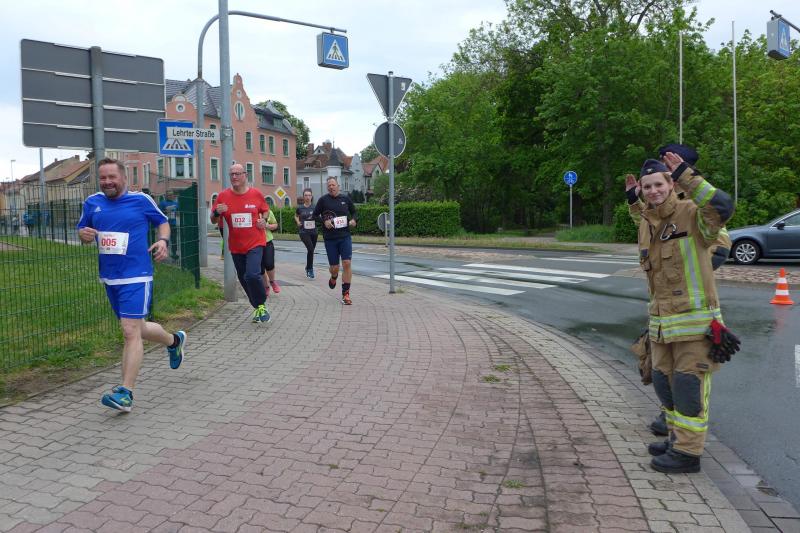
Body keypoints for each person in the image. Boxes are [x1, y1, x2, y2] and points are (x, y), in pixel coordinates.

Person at [625, 153, 736, 473]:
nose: (654, 191)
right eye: (648, 186)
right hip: (662, 326)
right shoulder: (648, 223)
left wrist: (688, 175)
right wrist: (633, 202)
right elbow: (648, 219)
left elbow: (722, 207)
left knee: (688, 388)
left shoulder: (692, 214)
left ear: (672, 184)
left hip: (694, 325)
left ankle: (688, 452)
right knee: (664, 383)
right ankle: (676, 439)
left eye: (659, 184)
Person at [77, 158, 186, 413]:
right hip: (109, 276)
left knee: (129, 331)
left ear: (124, 178)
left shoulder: (141, 200)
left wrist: (163, 241)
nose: (107, 182)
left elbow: (162, 221)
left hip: (137, 275)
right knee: (138, 328)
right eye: (103, 178)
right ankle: (174, 341)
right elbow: (83, 230)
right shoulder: (92, 202)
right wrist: (83, 235)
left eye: (112, 177)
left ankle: (125, 392)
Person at [210, 163, 271, 323]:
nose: (234, 177)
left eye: (237, 173)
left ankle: (261, 303)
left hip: (256, 242)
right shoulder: (223, 196)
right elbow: (213, 220)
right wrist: (216, 212)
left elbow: (265, 210)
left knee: (252, 274)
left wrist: (263, 221)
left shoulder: (256, 194)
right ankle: (258, 307)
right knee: (244, 279)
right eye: (231, 174)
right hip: (236, 246)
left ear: (245, 175)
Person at [313, 176, 357, 305]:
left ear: (338, 186)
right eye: (329, 185)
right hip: (330, 239)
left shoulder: (345, 199)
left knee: (347, 263)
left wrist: (354, 220)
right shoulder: (323, 200)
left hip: (345, 236)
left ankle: (346, 294)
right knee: (334, 268)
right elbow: (314, 215)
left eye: (333, 185)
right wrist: (324, 221)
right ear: (327, 188)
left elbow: (355, 213)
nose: (331, 187)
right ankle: (334, 276)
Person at [295, 188, 318, 279]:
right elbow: (296, 216)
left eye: (309, 195)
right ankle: (310, 269)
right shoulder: (300, 208)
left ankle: (308, 266)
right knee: (311, 249)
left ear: (311, 196)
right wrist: (297, 222)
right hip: (303, 232)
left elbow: (319, 217)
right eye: (306, 195)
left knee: (311, 251)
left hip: (314, 232)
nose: (307, 197)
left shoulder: (315, 207)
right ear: (303, 197)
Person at [261, 208, 280, 295]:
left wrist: (267, 226)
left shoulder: (267, 211)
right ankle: (266, 286)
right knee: (260, 268)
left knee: (269, 264)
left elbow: (275, 225)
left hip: (267, 241)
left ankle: (272, 281)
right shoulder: (249, 210)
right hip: (254, 243)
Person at [158, 191, 179, 259]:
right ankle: (164, 253)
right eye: (169, 195)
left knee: (174, 239)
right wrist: (165, 211)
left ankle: (174, 253)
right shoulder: (162, 203)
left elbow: (178, 211)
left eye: (171, 195)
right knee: (165, 239)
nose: (170, 196)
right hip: (165, 224)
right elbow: (159, 213)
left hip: (173, 224)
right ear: (166, 196)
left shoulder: (175, 203)